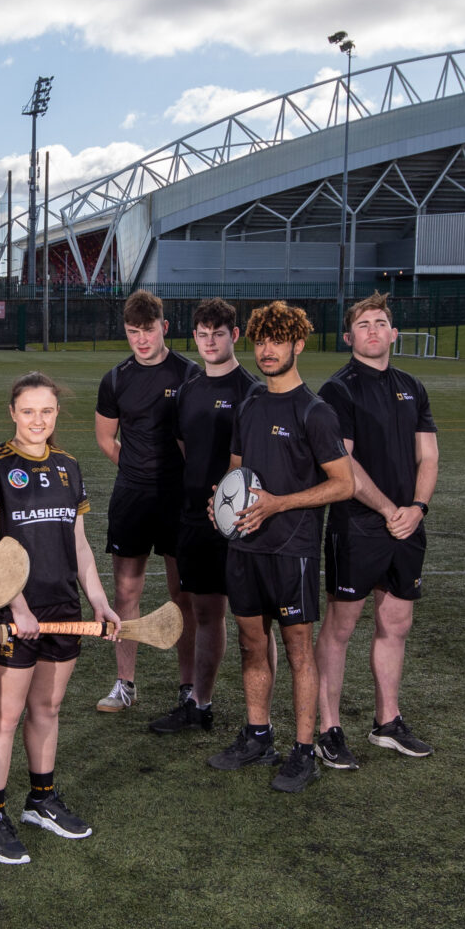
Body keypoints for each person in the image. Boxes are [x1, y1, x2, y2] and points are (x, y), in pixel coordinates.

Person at [209, 301, 354, 795]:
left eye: (278, 340)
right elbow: (236, 473)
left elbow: (344, 484)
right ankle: (257, 735)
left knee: (297, 651)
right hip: (244, 547)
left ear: (298, 344)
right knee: (252, 645)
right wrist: (220, 504)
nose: (267, 349)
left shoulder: (315, 411)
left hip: (292, 548)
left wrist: (277, 504)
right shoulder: (249, 404)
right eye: (261, 340)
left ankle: (303, 750)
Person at [0, 374, 115, 866]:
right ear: (12, 412)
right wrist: (18, 606)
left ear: (57, 414)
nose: (38, 420)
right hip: (12, 612)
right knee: (5, 717)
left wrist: (99, 600)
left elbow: (78, 545)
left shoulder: (68, 467)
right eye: (29, 411)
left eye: (47, 412)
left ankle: (41, 800)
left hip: (62, 609)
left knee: (48, 709)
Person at [314, 294, 440, 767]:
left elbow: (427, 455)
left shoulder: (412, 386)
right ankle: (328, 727)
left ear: (393, 333)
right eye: (363, 324)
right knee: (341, 626)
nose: (372, 330)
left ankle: (388, 721)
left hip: (408, 525)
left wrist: (418, 508)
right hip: (358, 525)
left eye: (380, 323)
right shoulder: (338, 390)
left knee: (396, 624)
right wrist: (391, 508)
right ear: (349, 337)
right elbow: (342, 462)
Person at [149, 298, 253, 736]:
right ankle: (200, 704)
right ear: (194, 337)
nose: (211, 342)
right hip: (192, 518)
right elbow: (184, 447)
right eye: (203, 334)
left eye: (219, 333)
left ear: (235, 335)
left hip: (236, 523)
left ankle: (255, 720)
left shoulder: (249, 391)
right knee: (203, 611)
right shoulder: (189, 388)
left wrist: (229, 502)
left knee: (247, 619)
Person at [91, 289, 192, 712]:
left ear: (164, 327)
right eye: (133, 332)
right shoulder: (116, 378)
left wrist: (172, 475)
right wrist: (134, 467)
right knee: (126, 591)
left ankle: (189, 687)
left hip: (177, 498)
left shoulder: (189, 375)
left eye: (148, 330)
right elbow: (104, 438)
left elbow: (197, 441)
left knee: (181, 594)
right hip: (131, 497)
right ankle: (125, 684)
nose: (142, 340)